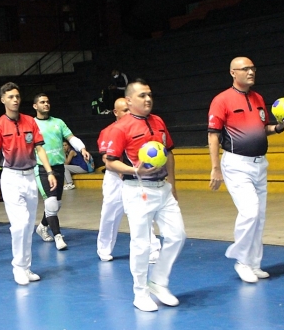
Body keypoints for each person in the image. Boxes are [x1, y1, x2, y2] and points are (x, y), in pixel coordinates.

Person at [105, 80, 186, 312]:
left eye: (149, 95)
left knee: (177, 236)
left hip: (163, 189)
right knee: (141, 244)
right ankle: (139, 292)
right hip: (137, 189)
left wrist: (173, 184)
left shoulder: (158, 121)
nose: (148, 99)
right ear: (129, 101)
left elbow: (169, 153)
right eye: (142, 96)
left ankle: (158, 282)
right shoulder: (121, 127)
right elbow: (109, 162)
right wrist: (135, 170)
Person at [208, 57, 284, 283]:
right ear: (233, 73)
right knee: (250, 211)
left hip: (259, 164)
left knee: (259, 216)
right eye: (245, 69)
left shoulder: (259, 98)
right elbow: (213, 135)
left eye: (253, 68)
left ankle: (254, 263)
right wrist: (215, 168)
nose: (251, 72)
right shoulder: (221, 100)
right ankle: (241, 261)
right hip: (236, 165)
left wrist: (279, 127)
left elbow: (263, 128)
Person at [0, 82, 57, 285]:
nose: (15, 100)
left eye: (17, 96)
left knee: (28, 225)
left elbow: (40, 149)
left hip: (30, 177)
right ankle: (18, 267)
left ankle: (26, 267)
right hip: (10, 178)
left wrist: (49, 171)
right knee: (19, 225)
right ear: (3, 100)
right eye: (10, 97)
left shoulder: (30, 122)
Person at [96, 98, 162, 263]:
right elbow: (107, 158)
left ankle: (152, 249)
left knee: (143, 213)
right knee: (110, 213)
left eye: (129, 109)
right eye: (123, 110)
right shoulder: (108, 131)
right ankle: (104, 249)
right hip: (115, 178)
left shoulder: (140, 126)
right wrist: (122, 172)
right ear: (115, 113)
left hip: (137, 178)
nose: (127, 113)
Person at [32, 93, 91, 251]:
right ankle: (58, 236)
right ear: (35, 106)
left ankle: (42, 226)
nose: (46, 104)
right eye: (42, 102)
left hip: (59, 167)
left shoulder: (58, 122)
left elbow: (71, 138)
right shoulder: (31, 124)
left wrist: (82, 148)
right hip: (42, 169)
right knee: (50, 202)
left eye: (47, 102)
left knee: (56, 204)